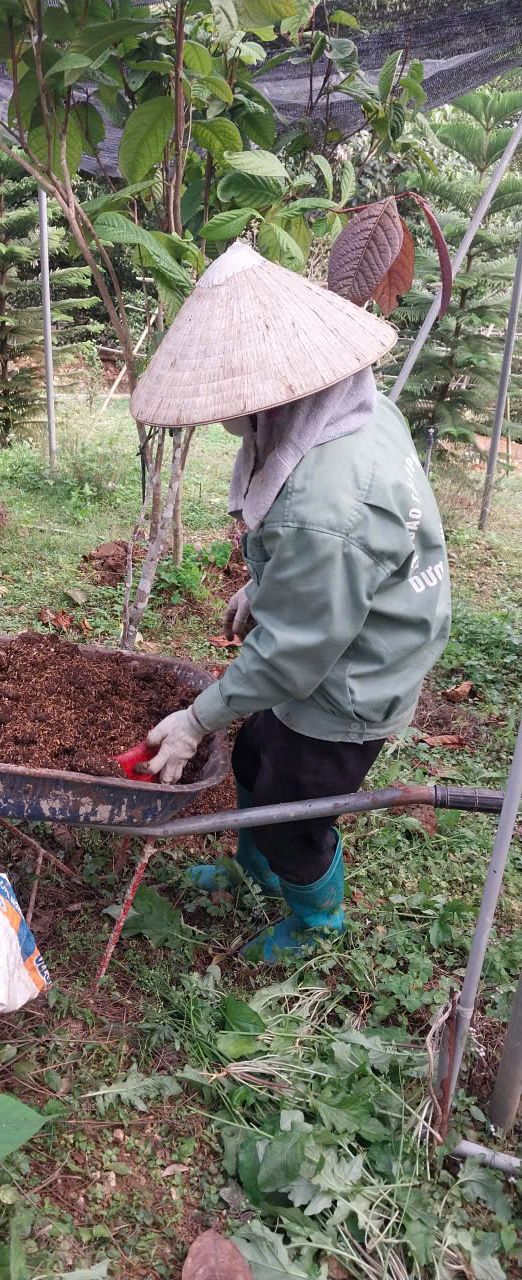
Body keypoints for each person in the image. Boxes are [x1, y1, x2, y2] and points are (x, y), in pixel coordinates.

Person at [129, 241, 451, 963]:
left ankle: (314, 922)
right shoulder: (356, 409)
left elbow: (294, 653)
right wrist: (266, 584)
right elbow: (330, 565)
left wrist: (194, 721)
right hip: (350, 618)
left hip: (357, 675)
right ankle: (255, 871)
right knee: (255, 756)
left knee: (292, 813)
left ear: (269, 398)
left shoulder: (325, 508)